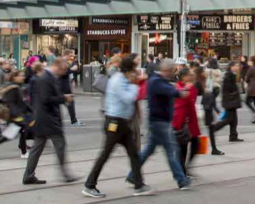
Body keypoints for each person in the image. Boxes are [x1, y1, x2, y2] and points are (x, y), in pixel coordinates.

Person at [83, 56, 151, 198]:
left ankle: (139, 185)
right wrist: (135, 84)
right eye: (134, 70)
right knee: (105, 155)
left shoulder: (123, 79)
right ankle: (89, 185)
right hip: (114, 123)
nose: (136, 73)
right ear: (128, 70)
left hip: (122, 123)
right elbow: (128, 98)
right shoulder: (118, 81)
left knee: (133, 153)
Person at [134, 58, 191, 191]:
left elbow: (169, 88)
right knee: (172, 150)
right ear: (167, 70)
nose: (173, 73)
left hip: (158, 121)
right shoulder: (156, 81)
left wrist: (178, 89)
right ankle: (181, 180)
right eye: (172, 70)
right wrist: (181, 92)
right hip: (160, 122)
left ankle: (132, 174)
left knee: (149, 150)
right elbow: (169, 91)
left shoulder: (159, 80)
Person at [22, 58, 77, 185]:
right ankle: (66, 174)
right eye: (63, 69)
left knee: (37, 147)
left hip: (43, 118)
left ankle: (28, 176)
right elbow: (46, 99)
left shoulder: (48, 77)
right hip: (48, 119)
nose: (64, 72)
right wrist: (64, 98)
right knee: (60, 144)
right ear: (57, 66)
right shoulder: (45, 78)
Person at [173, 67, 201, 176]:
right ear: (184, 77)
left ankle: (185, 168)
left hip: (191, 120)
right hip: (183, 121)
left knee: (196, 144)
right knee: (182, 148)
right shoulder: (178, 87)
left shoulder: (191, 86)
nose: (192, 76)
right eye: (190, 74)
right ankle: (182, 172)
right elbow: (180, 103)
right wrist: (186, 89)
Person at [212, 61, 244, 143]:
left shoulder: (231, 75)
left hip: (231, 101)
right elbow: (227, 90)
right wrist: (235, 93)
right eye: (236, 65)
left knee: (234, 120)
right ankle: (214, 128)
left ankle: (233, 136)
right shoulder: (229, 76)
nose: (238, 67)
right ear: (231, 67)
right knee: (228, 119)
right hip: (230, 102)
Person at [60, 51, 84, 127]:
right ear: (66, 55)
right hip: (63, 87)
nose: (71, 57)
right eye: (70, 56)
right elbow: (62, 72)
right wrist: (72, 69)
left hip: (65, 87)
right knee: (69, 103)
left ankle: (73, 120)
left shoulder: (66, 62)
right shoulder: (62, 61)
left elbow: (67, 73)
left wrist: (72, 80)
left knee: (69, 104)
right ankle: (73, 121)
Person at [244, 57, 255, 124]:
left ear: (252, 62)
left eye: (249, 61)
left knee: (247, 101)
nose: (248, 62)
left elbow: (247, 78)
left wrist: (247, 80)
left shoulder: (251, 68)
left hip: (251, 88)